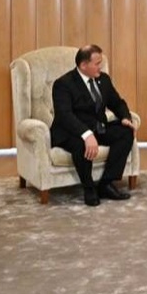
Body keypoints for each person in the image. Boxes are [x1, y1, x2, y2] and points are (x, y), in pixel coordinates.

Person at [50, 44, 135, 206]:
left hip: (97, 127)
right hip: (70, 131)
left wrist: (125, 117)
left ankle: (106, 184)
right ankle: (89, 188)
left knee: (125, 132)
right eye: (97, 63)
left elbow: (117, 102)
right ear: (83, 65)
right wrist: (86, 134)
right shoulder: (63, 84)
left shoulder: (103, 79)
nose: (100, 67)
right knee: (82, 145)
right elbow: (65, 115)